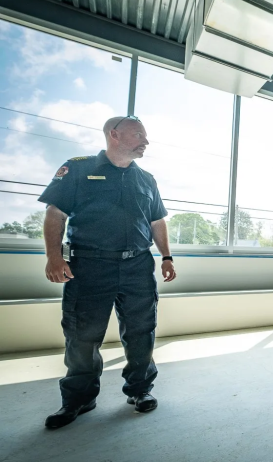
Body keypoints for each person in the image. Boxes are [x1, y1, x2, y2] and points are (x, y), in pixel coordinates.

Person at [38, 115, 176, 429]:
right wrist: (53, 257)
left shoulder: (147, 179)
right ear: (114, 135)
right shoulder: (78, 167)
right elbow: (55, 212)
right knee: (82, 336)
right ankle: (78, 399)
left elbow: (157, 222)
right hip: (89, 266)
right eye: (138, 134)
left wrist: (166, 256)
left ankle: (140, 391)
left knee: (141, 331)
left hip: (137, 266)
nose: (145, 140)